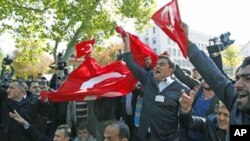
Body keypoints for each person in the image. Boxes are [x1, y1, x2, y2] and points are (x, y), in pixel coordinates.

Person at [182, 22, 250, 140]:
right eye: (238, 78)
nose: (237, 84)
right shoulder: (236, 103)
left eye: (248, 78)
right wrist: (186, 42)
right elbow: (215, 75)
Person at [122, 32, 189, 141]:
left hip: (166, 138)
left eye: (162, 64)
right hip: (143, 136)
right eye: (156, 64)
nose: (157, 66)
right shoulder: (148, 78)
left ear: (171, 70)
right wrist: (127, 42)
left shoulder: (182, 90)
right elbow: (130, 63)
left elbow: (186, 119)